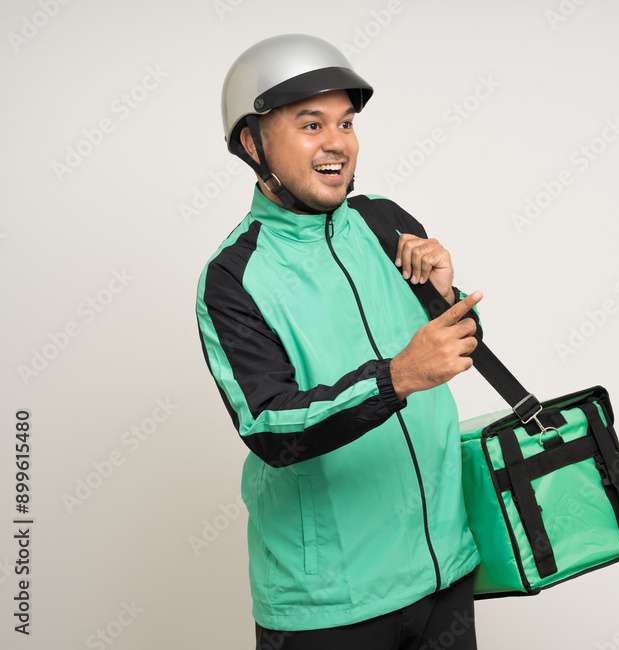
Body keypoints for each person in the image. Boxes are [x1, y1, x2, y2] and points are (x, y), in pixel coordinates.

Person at [195, 34, 482, 650]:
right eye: (310, 123)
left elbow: (457, 349)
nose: (337, 143)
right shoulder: (233, 278)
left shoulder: (385, 219)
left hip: (445, 572)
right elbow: (272, 429)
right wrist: (396, 377)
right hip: (330, 607)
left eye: (346, 122)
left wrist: (444, 296)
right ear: (253, 141)